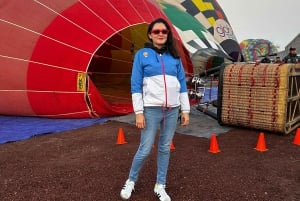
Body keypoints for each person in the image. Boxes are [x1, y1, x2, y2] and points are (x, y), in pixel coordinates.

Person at [120, 18, 190, 201]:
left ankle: (160, 185)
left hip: (172, 110)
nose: (160, 34)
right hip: (151, 109)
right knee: (145, 148)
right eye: (157, 31)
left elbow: (182, 83)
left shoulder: (175, 57)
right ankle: (131, 180)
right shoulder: (142, 55)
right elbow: (135, 85)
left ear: (168, 35)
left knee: (165, 148)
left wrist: (186, 110)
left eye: (164, 31)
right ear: (150, 34)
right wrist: (139, 112)